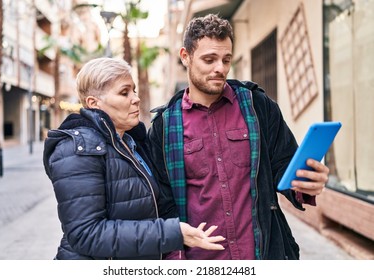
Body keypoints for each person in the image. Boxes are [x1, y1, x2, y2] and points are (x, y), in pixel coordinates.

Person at [147, 14, 330, 260]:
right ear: (185, 57)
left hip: (262, 255)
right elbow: (163, 202)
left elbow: (283, 165)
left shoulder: (258, 106)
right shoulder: (164, 126)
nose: (220, 68)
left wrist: (305, 183)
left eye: (226, 59)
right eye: (209, 59)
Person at [43, 57, 225, 260]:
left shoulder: (131, 143)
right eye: (124, 92)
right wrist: (171, 233)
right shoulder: (78, 149)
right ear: (94, 104)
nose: (136, 98)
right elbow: (86, 234)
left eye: (134, 90)